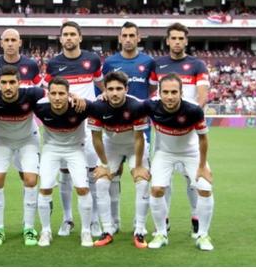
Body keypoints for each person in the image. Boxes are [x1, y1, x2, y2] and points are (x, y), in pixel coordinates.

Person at [135, 73, 214, 251]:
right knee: (156, 189)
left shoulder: (193, 110)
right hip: (165, 153)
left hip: (191, 153)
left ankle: (203, 235)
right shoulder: (150, 106)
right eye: (166, 92)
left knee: (205, 189)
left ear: (181, 93)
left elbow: (203, 139)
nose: (169, 96)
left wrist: (202, 166)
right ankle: (161, 233)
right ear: (159, 93)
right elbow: (138, 130)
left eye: (174, 92)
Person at [43, 21, 105, 237]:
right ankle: (67, 218)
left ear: (80, 37)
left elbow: (102, 86)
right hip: (63, 125)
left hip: (87, 126)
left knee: (91, 174)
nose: (69, 38)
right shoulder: (53, 64)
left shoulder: (92, 59)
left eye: (72, 34)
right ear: (60, 39)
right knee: (65, 174)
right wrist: (69, 97)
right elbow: (49, 92)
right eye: (65, 34)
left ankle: (94, 219)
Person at [151, 22, 210, 237]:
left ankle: (196, 218)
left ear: (186, 40)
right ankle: (163, 222)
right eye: (173, 38)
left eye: (180, 38)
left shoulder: (197, 65)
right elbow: (152, 94)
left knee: (192, 178)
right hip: (164, 132)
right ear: (167, 40)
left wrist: (190, 117)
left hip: (189, 130)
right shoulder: (158, 64)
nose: (177, 42)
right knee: (162, 180)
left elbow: (202, 96)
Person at [0, 65, 45, 246]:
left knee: (31, 180)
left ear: (19, 83)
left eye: (12, 82)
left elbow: (56, 94)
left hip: (28, 140)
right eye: (4, 83)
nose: (8, 87)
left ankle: (29, 228)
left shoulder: (33, 93)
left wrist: (74, 96)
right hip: (2, 140)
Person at [101, 21, 157, 234]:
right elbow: (104, 90)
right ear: (119, 38)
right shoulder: (110, 62)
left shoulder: (148, 62)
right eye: (124, 35)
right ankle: (114, 222)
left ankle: (139, 225)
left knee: (142, 175)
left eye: (132, 35)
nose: (128, 39)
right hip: (114, 129)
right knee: (112, 175)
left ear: (138, 37)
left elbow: (151, 89)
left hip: (140, 127)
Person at [88, 71, 149, 248]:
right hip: (111, 146)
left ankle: (139, 230)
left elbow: (139, 138)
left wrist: (137, 166)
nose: (115, 93)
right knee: (100, 183)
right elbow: (96, 138)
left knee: (142, 182)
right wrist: (105, 165)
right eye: (111, 89)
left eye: (119, 89)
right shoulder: (97, 107)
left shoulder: (137, 106)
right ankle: (107, 230)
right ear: (104, 90)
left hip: (134, 146)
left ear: (126, 89)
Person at [34, 77, 94, 247]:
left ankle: (86, 231)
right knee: (45, 188)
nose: (57, 97)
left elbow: (104, 105)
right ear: (48, 94)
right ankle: (45, 231)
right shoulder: (40, 107)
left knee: (82, 187)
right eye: (53, 93)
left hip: (75, 149)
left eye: (62, 93)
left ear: (68, 94)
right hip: (51, 149)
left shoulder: (80, 107)